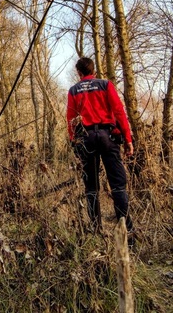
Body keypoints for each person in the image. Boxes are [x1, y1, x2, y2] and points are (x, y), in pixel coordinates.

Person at [67, 57, 135, 244]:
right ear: (93, 71)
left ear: (79, 73)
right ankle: (127, 231)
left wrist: (75, 144)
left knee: (91, 187)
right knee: (118, 184)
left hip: (86, 140)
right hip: (108, 137)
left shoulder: (73, 90)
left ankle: (96, 231)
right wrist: (128, 139)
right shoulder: (106, 85)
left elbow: (71, 120)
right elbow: (119, 111)